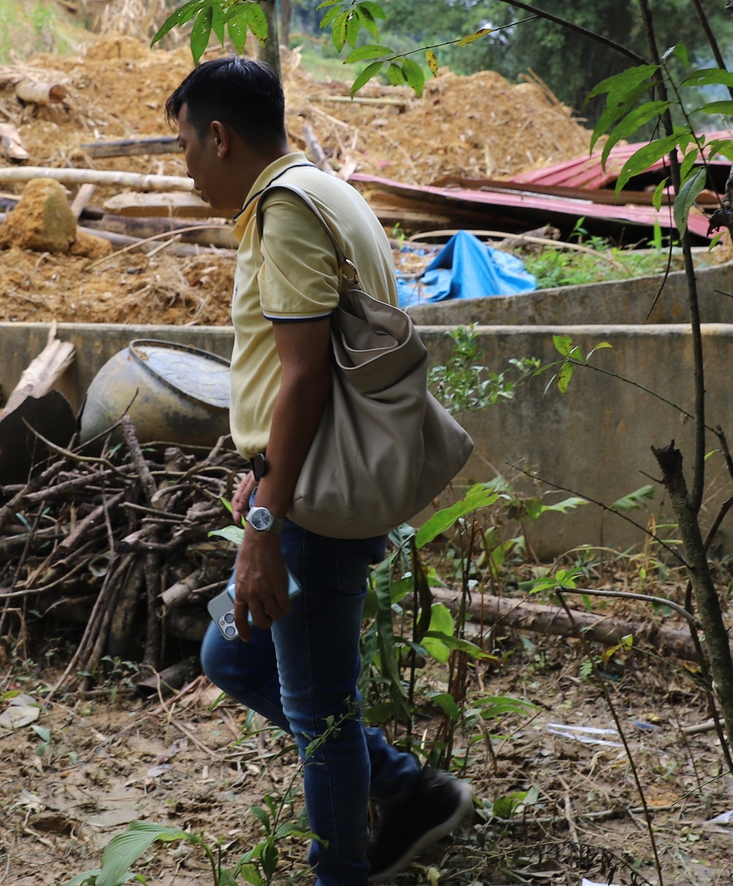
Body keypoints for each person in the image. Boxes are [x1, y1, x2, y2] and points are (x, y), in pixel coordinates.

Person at [171, 56, 471, 885]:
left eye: (186, 145)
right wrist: (263, 472)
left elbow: (304, 373)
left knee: (319, 711)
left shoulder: (288, 211)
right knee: (230, 658)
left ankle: (344, 869)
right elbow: (309, 368)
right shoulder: (323, 190)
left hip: (312, 505)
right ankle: (411, 790)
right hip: (299, 480)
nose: (186, 167)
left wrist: (267, 521)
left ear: (220, 136)